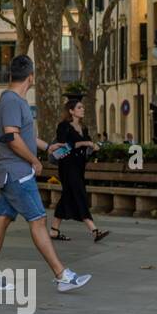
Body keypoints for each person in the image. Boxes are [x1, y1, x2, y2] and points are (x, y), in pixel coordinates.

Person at [0, 55, 91, 294]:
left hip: (10, 173)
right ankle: (62, 275)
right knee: (39, 220)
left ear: (11, 75)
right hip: (18, 173)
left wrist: (46, 147)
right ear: (31, 77)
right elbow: (11, 136)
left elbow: (23, 135)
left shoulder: (12, 99)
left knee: (1, 219)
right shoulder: (12, 101)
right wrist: (33, 160)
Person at [50, 99, 109, 243]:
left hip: (79, 166)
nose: (83, 109)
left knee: (68, 196)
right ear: (71, 111)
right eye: (79, 107)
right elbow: (63, 146)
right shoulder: (63, 126)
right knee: (79, 194)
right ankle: (94, 230)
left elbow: (87, 145)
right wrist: (84, 143)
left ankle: (54, 230)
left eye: (83, 107)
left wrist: (93, 147)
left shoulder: (84, 128)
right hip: (67, 166)